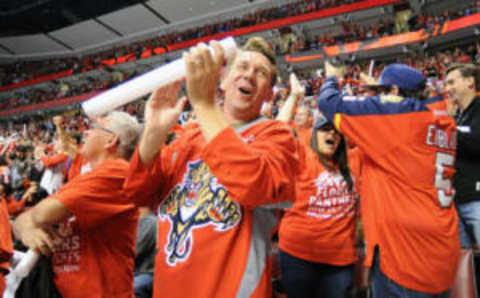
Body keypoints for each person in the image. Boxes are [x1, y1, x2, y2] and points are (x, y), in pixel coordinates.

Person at [124, 37, 298, 298]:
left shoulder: (277, 136)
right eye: (242, 67)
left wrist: (204, 104)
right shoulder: (189, 135)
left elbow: (254, 185)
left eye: (260, 73)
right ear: (224, 80)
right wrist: (154, 132)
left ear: (269, 94)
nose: (249, 75)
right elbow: (138, 194)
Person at [317, 61, 460, 297]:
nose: (378, 98)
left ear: (395, 92)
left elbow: (329, 102)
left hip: (406, 254)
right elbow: (424, 95)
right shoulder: (441, 116)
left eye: (383, 92)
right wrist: (382, 88)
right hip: (440, 245)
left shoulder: (399, 120)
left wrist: (332, 78)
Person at [13, 111, 142, 298]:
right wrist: (25, 226)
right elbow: (24, 220)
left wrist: (29, 223)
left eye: (93, 128)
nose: (86, 133)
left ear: (110, 140)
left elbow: (39, 215)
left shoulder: (117, 172)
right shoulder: (82, 177)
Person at [444, 63, 480, 249]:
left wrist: (449, 128)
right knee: (465, 268)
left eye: (451, 82)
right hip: (458, 201)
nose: (447, 88)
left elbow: (476, 143)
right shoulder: (458, 116)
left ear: (469, 82)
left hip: (477, 199)